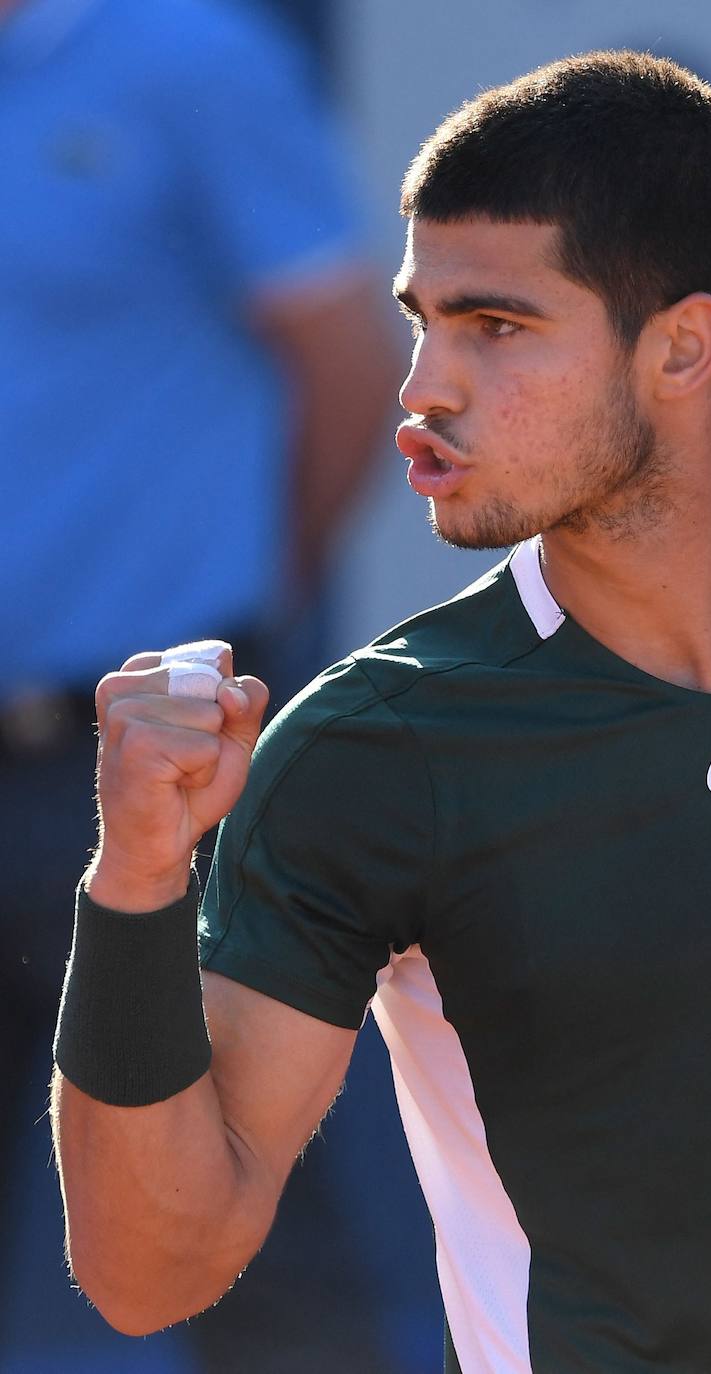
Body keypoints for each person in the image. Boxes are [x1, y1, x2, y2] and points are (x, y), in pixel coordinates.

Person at [51, 49, 711, 1374]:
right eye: (421, 319)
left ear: (682, 344)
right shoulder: (370, 745)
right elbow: (149, 1265)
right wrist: (137, 878)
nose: (424, 388)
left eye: (495, 327)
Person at [0, 0, 400, 1367]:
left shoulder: (194, 63)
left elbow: (350, 363)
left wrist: (245, 616)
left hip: (144, 766)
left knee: (241, 1215)